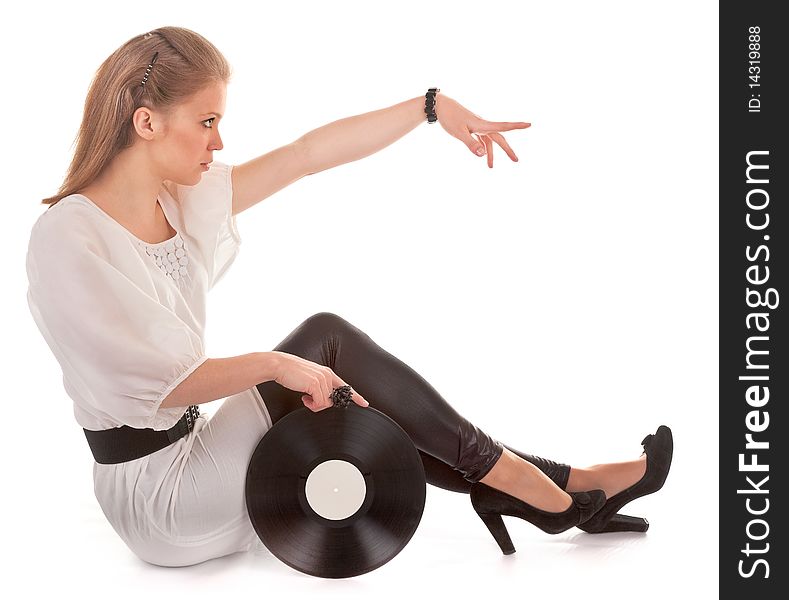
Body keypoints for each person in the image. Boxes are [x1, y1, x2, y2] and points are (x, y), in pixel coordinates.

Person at [25, 26, 672, 567]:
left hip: (201, 462)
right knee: (322, 343)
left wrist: (429, 107)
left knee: (337, 375)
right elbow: (155, 388)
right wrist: (278, 365)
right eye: (207, 121)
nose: (219, 142)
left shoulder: (176, 201)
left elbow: (306, 154)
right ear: (147, 122)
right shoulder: (68, 238)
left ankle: (548, 485)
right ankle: (539, 492)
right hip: (161, 502)